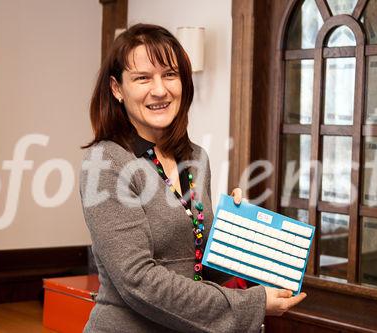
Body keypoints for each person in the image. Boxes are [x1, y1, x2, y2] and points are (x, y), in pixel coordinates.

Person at [80, 23, 306, 333]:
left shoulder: (196, 159)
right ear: (117, 88)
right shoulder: (105, 163)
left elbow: (198, 267)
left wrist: (239, 234)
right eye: (143, 78)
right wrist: (252, 304)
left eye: (169, 75)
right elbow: (138, 281)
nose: (160, 90)